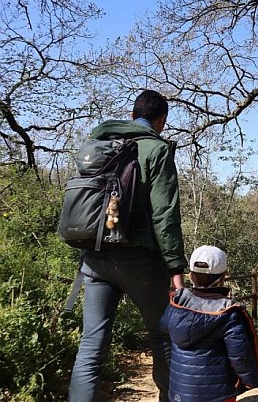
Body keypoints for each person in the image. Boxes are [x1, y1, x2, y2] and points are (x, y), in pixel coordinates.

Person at [69, 90, 188, 402]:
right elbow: (164, 214)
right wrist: (175, 268)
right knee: (163, 337)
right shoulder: (156, 149)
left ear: (133, 115)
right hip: (141, 262)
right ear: (161, 119)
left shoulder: (97, 143)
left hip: (94, 258)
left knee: (91, 346)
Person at [161, 245, 258, 402]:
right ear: (223, 277)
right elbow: (240, 356)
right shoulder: (229, 312)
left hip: (179, 393)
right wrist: (249, 381)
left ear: (191, 276)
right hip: (218, 394)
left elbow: (163, 334)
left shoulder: (175, 303)